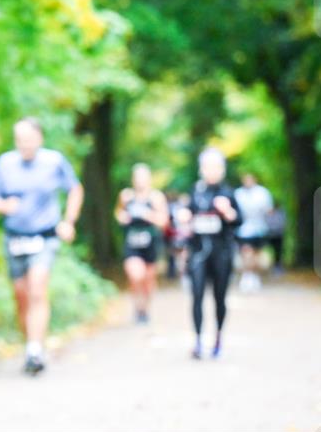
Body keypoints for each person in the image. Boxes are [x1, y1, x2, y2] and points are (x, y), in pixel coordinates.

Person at [0, 117, 84, 375]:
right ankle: (30, 342)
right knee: (21, 295)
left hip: (44, 236)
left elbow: (75, 189)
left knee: (38, 289)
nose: (24, 145)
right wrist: (2, 206)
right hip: (15, 237)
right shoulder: (5, 163)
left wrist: (68, 221)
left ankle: (35, 351)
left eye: (28, 139)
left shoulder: (54, 161)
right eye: (19, 140)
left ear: (39, 138)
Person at [178, 147, 241, 360]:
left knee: (219, 298)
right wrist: (185, 217)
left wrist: (228, 212)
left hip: (221, 253)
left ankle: (218, 339)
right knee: (196, 295)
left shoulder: (228, 193)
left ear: (222, 169)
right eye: (207, 166)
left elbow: (238, 221)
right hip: (198, 254)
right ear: (201, 169)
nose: (211, 171)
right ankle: (197, 341)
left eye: (216, 166)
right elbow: (186, 221)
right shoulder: (196, 192)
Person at [114, 164, 168, 324]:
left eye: (143, 177)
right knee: (135, 275)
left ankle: (145, 308)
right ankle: (137, 306)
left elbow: (164, 222)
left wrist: (148, 215)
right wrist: (122, 217)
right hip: (132, 242)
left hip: (150, 243)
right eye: (137, 177)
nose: (140, 181)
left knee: (148, 279)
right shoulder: (126, 196)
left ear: (149, 179)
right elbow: (118, 213)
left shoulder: (156, 197)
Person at [234, 173, 274, 292]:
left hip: (259, 228)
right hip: (243, 230)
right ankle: (247, 275)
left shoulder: (262, 193)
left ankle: (254, 275)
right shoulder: (238, 194)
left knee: (256, 254)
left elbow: (269, 211)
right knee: (246, 252)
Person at [267, 202, 287, 276]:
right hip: (270, 236)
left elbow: (283, 224)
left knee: (278, 252)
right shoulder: (268, 213)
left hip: (278, 236)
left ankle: (277, 266)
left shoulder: (281, 213)